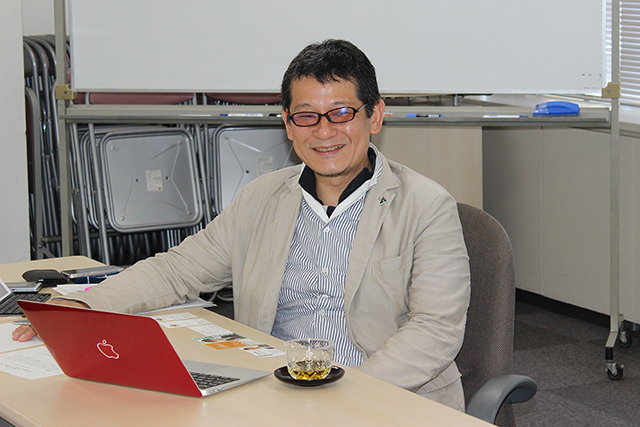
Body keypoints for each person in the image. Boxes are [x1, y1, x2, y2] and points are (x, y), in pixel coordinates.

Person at [13, 39, 470, 410]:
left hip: (385, 400)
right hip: (274, 393)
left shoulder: (426, 206)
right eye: (306, 116)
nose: (324, 131)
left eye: (341, 113)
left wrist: (350, 395)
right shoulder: (261, 198)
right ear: (288, 124)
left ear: (375, 115)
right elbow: (178, 270)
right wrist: (84, 307)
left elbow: (435, 330)